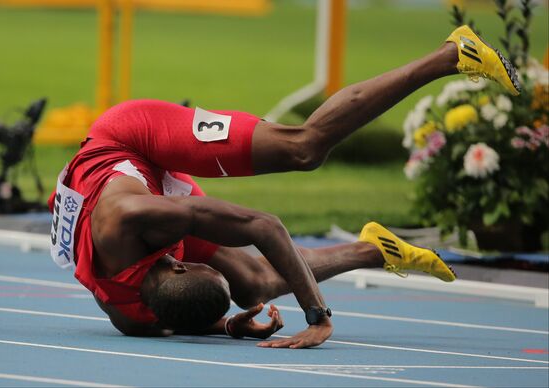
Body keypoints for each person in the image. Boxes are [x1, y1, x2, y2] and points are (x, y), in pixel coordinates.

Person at [48, 25, 519, 348]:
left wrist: (318, 316)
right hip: (134, 200)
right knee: (252, 284)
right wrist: (232, 323)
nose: (193, 256)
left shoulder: (136, 220)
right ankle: (375, 250)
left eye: (191, 261)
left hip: (131, 139)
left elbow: (263, 225)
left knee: (304, 149)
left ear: (175, 263)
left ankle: (451, 54)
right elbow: (193, 312)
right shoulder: (133, 318)